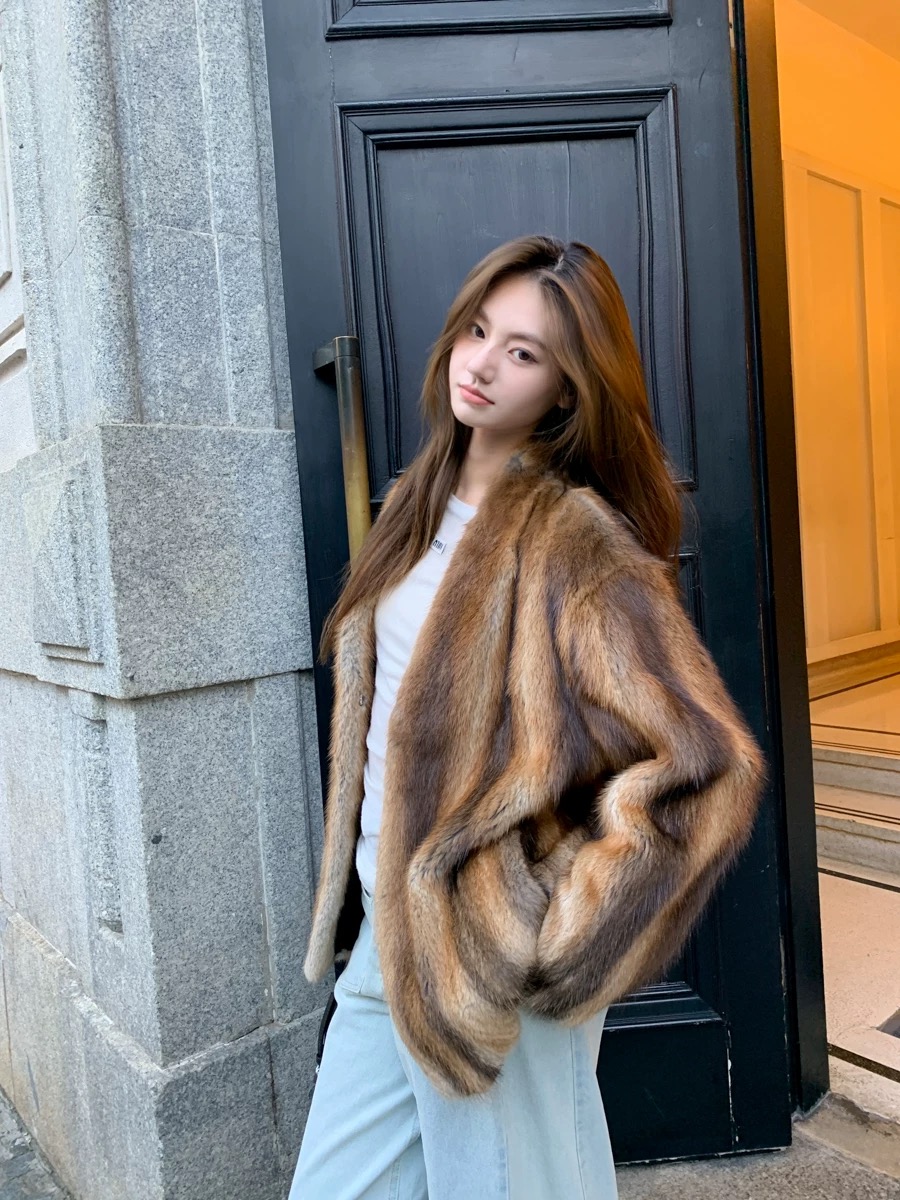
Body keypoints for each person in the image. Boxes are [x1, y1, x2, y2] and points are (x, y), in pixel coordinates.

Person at [289, 235, 766, 1200]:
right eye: (478, 331)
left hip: (491, 956)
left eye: (523, 352)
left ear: (565, 388)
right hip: (390, 936)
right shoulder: (412, 507)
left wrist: (560, 934)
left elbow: (705, 765)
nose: (482, 363)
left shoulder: (572, 544)